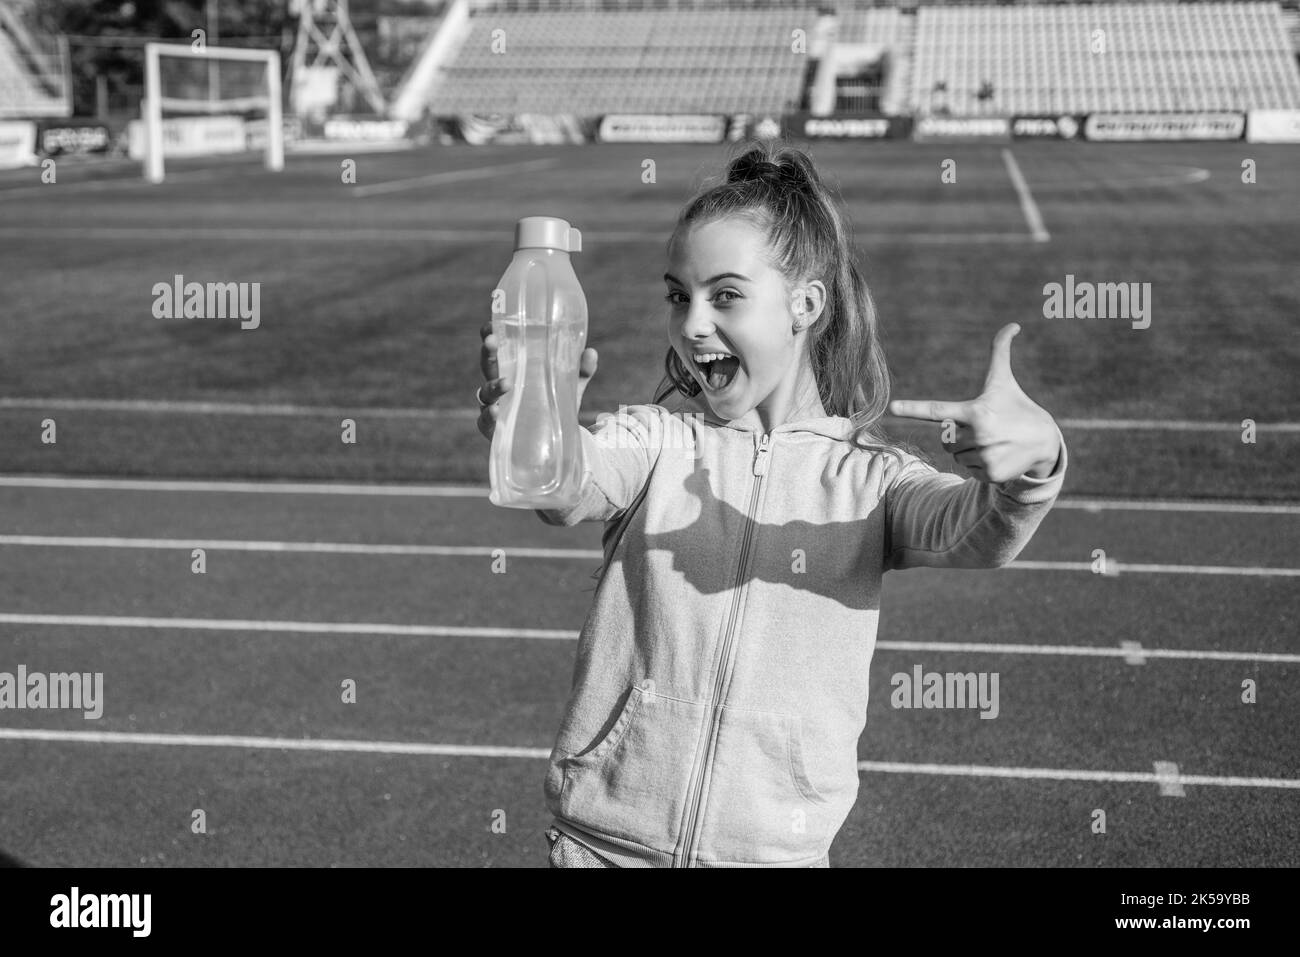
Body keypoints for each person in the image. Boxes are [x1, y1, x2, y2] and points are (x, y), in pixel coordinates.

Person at [475, 138, 1066, 868]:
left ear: (805, 303)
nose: (693, 323)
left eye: (725, 295)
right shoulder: (657, 441)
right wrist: (539, 427)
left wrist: (1034, 463)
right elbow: (571, 487)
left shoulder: (869, 476)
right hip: (604, 847)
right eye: (678, 294)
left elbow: (978, 532)